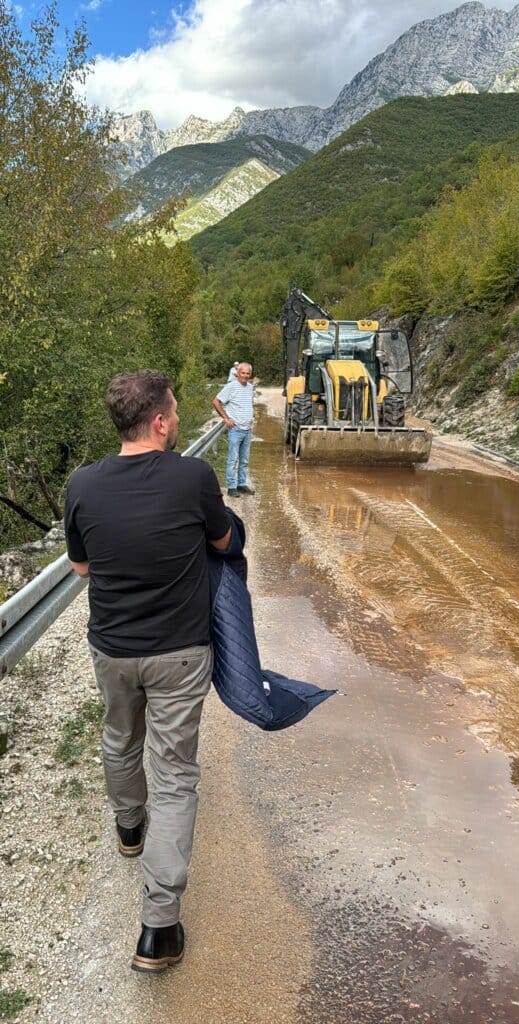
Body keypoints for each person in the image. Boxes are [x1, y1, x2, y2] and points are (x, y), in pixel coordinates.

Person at [64, 370, 231, 974]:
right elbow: (220, 540)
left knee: (118, 738)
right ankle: (158, 929)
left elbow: (81, 569)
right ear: (159, 421)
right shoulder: (193, 477)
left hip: (112, 648)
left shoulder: (82, 484)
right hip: (180, 654)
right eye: (177, 412)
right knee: (175, 774)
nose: (180, 420)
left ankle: (129, 827)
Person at [212, 361, 255, 498]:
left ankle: (241, 484)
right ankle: (231, 487)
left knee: (244, 460)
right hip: (236, 429)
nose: (245, 376)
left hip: (247, 429)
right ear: (237, 373)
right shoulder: (231, 387)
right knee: (233, 459)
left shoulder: (250, 388)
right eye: (243, 373)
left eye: (248, 373)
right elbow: (216, 401)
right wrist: (226, 418)